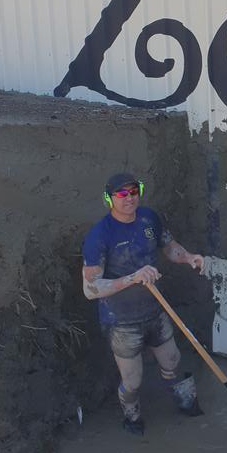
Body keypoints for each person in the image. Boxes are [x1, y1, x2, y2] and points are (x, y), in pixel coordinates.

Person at [82, 171, 205, 435]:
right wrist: (133, 278)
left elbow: (169, 246)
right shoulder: (99, 236)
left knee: (172, 360)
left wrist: (188, 257)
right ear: (109, 199)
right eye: (122, 194)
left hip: (154, 310)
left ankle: (185, 401)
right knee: (133, 380)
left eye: (134, 191)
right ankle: (132, 416)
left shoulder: (149, 218)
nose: (130, 198)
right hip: (122, 321)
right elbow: (91, 289)